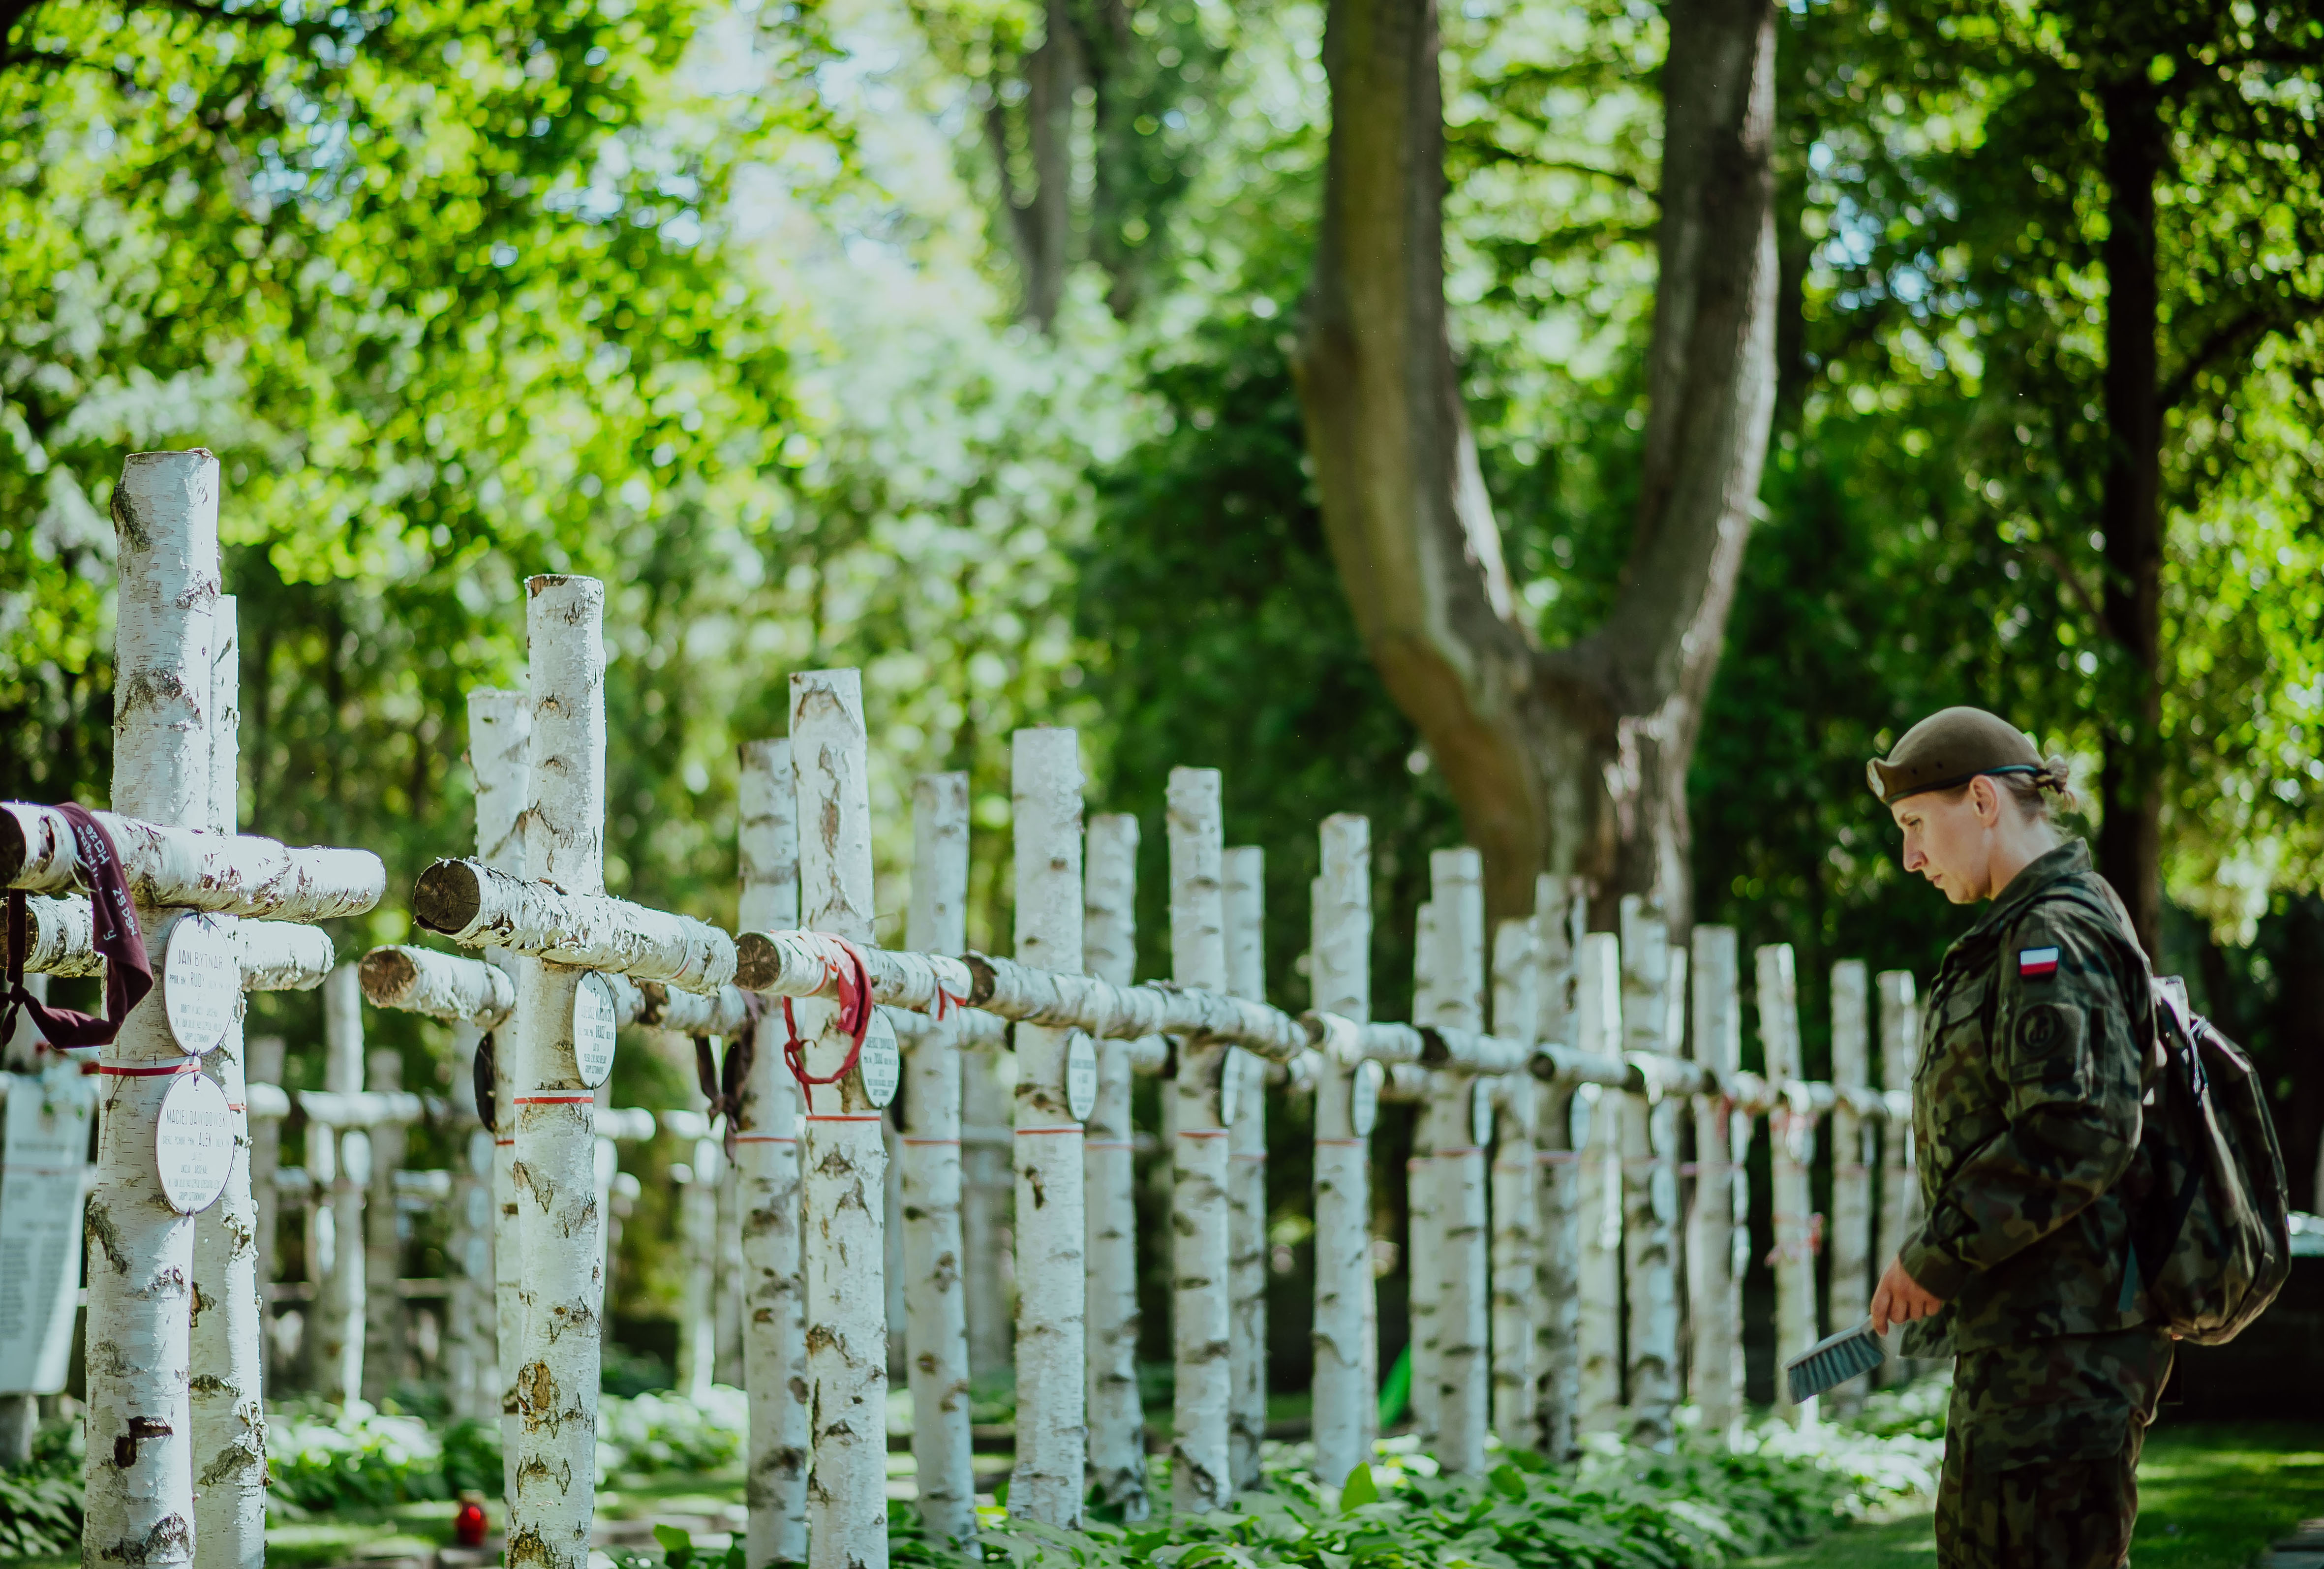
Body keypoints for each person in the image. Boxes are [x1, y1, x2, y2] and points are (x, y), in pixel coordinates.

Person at [1864, 706, 2166, 1569]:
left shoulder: (2053, 936)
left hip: (2061, 1359)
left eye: (1918, 824)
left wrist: (1937, 1252)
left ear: (1985, 801)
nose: (1912, 857)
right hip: (2031, 1344)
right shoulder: (2031, 928)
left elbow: (2080, 1128)